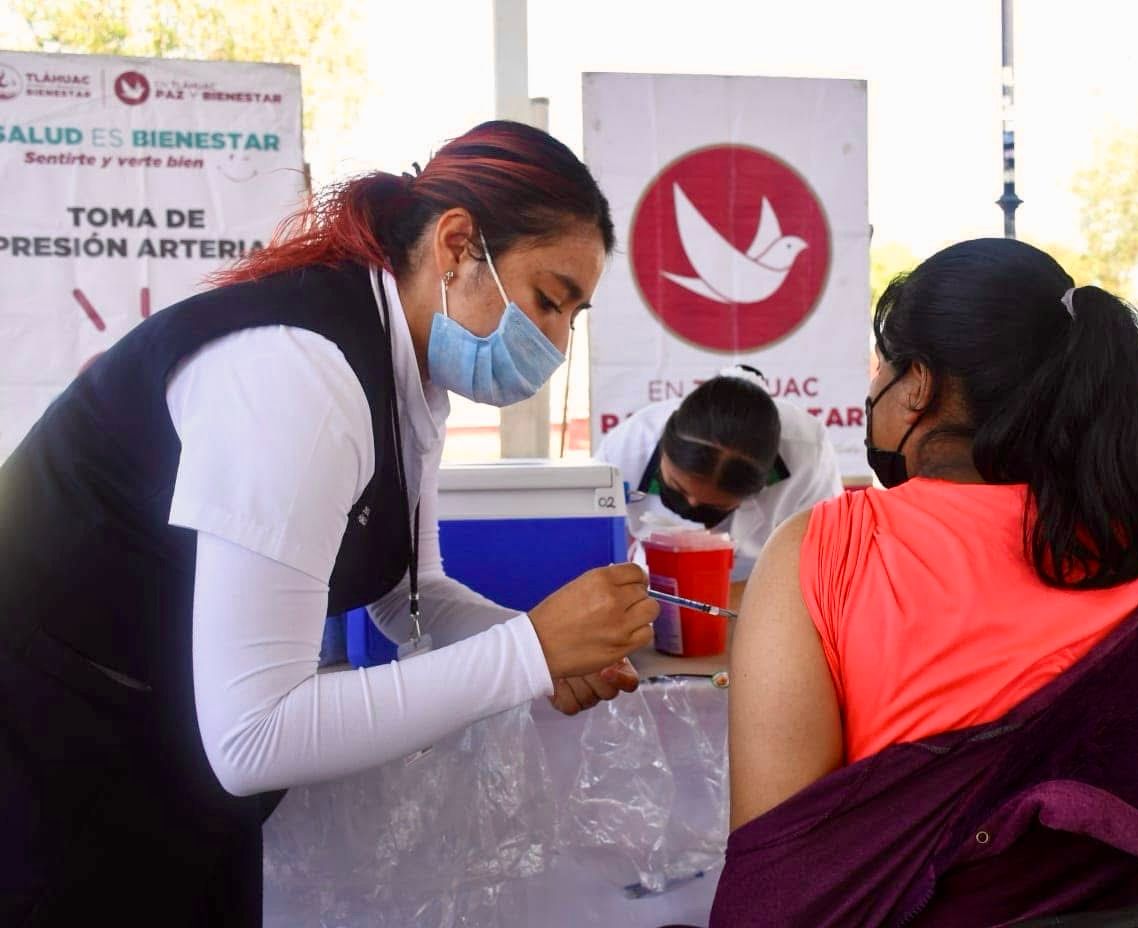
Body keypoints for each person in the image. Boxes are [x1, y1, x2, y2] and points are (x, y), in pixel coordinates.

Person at [0, 121, 660, 925]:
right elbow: (254, 738)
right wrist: (528, 651)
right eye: (549, 300)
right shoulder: (299, 376)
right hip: (52, 752)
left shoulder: (404, 370)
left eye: (574, 317)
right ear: (456, 245)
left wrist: (545, 646)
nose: (556, 343)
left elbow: (410, 596)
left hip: (165, 742)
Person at [713, 240, 1138, 926]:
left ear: (918, 386)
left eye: (880, 370)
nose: (871, 392)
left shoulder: (823, 550)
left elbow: (784, 889)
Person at [594, 368, 842, 592]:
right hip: (658, 585)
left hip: (770, 587)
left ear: (759, 485)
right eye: (677, 487)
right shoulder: (623, 452)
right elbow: (597, 554)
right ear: (665, 448)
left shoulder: (808, 455)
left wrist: (737, 602)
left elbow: (826, 561)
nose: (691, 503)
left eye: (715, 506)